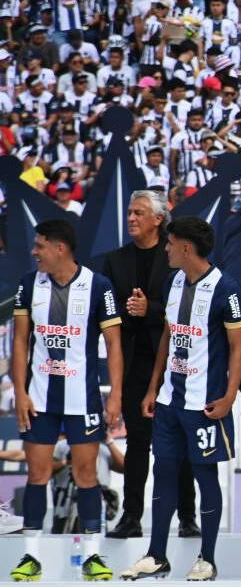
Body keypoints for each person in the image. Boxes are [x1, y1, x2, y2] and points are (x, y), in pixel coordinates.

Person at [121, 217, 241, 581]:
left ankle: (207, 558)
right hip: (169, 401)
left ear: (186, 248)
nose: (166, 248)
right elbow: (168, 337)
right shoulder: (173, 281)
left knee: (206, 477)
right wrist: (152, 388)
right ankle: (156, 555)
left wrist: (228, 397)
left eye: (170, 242)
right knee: (163, 474)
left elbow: (239, 348)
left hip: (205, 403)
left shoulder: (228, 289)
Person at [9, 220, 124, 582]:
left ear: (60, 248)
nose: (34, 252)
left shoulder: (98, 286)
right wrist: (21, 391)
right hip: (40, 398)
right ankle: (31, 556)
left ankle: (93, 557)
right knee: (37, 475)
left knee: (87, 475)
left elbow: (115, 345)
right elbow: (20, 342)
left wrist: (116, 395)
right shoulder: (29, 284)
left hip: (82, 398)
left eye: (40, 245)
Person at [102, 190, 200, 540]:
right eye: (129, 212)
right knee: (138, 443)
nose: (131, 218)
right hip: (133, 364)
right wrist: (133, 311)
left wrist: (152, 310)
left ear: (159, 219)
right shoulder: (114, 261)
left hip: (177, 361)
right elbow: (109, 313)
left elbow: (190, 303)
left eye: (139, 212)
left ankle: (188, 516)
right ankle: (131, 517)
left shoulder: (176, 255)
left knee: (181, 442)